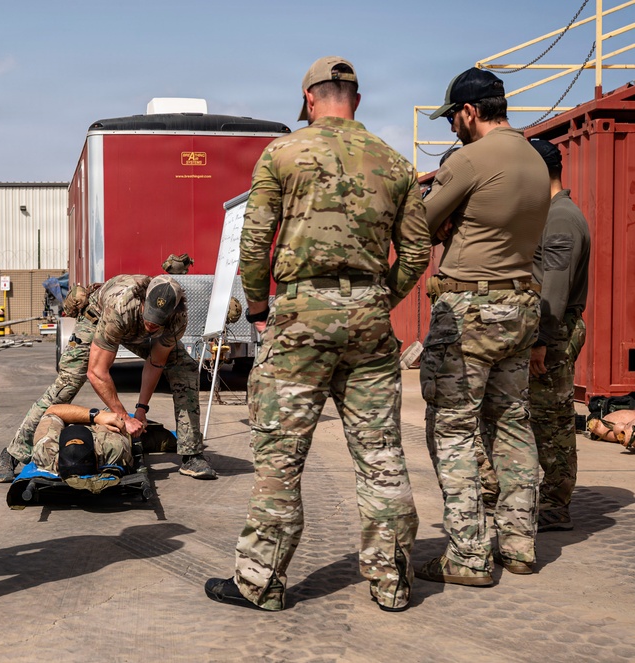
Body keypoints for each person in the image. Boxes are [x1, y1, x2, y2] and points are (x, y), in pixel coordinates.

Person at [204, 56, 430, 612]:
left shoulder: (282, 153)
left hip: (302, 314)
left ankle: (261, 583)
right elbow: (418, 251)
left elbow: (255, 241)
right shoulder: (396, 163)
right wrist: (380, 298)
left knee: (281, 455)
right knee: (381, 455)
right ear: (357, 99)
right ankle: (393, 582)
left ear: (309, 99)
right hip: (371, 320)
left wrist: (258, 306)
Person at [416, 68, 549, 585]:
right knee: (514, 424)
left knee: (452, 429)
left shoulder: (472, 159)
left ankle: (468, 556)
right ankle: (518, 545)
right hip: (520, 308)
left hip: (470, 312)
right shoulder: (536, 161)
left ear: (470, 111)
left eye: (453, 117)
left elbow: (421, 226)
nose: (452, 128)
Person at [0, 273, 216, 482]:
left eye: (157, 322)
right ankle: (13, 453)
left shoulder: (177, 319)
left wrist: (140, 410)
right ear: (143, 301)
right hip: (98, 318)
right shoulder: (122, 306)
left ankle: (191, 455)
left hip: (132, 326)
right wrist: (122, 417)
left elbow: (156, 362)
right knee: (69, 382)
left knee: (184, 368)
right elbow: (97, 372)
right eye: (149, 316)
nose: (151, 324)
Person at [476, 139, 591, 532]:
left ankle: (556, 505)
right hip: (542, 329)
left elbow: (555, 287)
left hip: (552, 332)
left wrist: (541, 340)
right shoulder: (550, 214)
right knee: (532, 415)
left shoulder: (560, 219)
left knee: (552, 421)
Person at [31, 404, 134, 490]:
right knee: (113, 416)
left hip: (69, 425)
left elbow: (52, 410)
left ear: (56, 463)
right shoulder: (113, 447)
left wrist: (93, 416)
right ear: (97, 461)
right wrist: (97, 417)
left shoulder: (44, 449)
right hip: (97, 430)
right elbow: (116, 422)